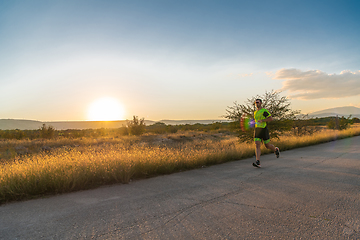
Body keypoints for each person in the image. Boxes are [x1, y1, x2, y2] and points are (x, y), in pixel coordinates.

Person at [252, 99, 280, 168]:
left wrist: (263, 120)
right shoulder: (255, 112)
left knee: (267, 146)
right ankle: (258, 162)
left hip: (264, 129)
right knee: (257, 145)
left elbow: (270, 118)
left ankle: (275, 150)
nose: (256, 104)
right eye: (255, 103)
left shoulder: (263, 111)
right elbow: (256, 120)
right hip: (257, 129)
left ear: (261, 103)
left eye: (258, 102)